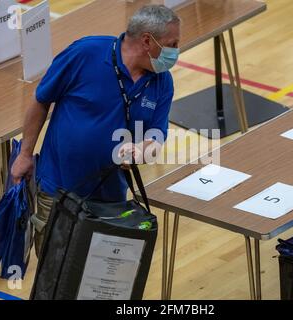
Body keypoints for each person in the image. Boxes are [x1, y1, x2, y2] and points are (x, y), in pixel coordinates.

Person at [11, 5, 181, 256]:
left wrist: (140, 152)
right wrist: (25, 154)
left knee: (98, 278)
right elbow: (41, 100)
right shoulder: (85, 53)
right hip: (59, 190)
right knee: (55, 277)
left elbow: (156, 135)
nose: (177, 51)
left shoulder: (162, 81)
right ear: (147, 40)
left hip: (112, 201)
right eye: (173, 43)